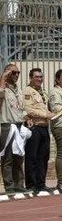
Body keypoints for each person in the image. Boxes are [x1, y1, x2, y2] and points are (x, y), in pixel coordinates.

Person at [23, 68, 54, 195]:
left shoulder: (42, 92)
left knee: (43, 156)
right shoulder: (27, 91)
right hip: (34, 127)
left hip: (44, 127)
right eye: (36, 77)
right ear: (31, 77)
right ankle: (31, 184)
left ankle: (41, 183)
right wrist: (46, 114)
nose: (39, 79)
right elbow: (28, 109)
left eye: (41, 77)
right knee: (32, 157)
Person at [0, 64, 27, 195]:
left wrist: (26, 116)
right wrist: (3, 78)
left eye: (18, 73)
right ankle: (9, 185)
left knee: (19, 156)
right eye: (13, 73)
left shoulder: (17, 89)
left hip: (19, 125)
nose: (16, 75)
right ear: (7, 73)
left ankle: (19, 184)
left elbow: (21, 107)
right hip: (7, 125)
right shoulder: (3, 87)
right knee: (7, 157)